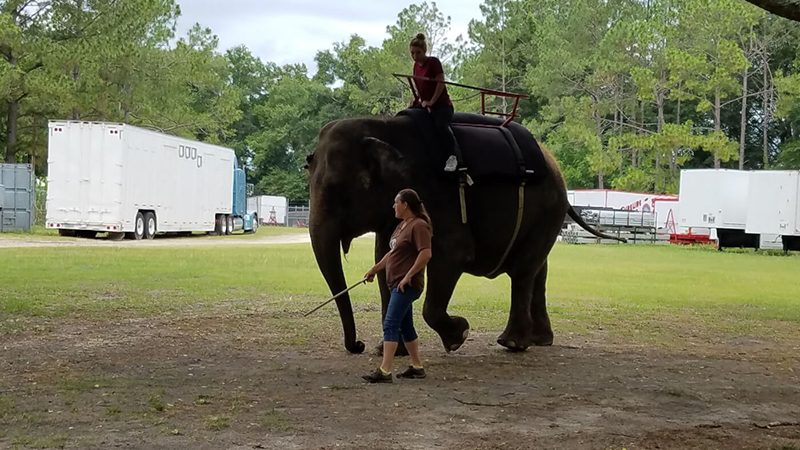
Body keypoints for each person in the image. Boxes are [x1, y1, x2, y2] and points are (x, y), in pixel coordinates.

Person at [362, 189, 433, 383]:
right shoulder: (402, 226)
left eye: (396, 202)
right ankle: (417, 367)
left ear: (405, 205)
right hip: (396, 283)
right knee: (405, 326)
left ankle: (385, 370)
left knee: (390, 323)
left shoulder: (419, 226)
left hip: (406, 285)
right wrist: (375, 269)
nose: (393, 206)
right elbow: (392, 253)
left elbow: (425, 253)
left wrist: (408, 276)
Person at [408, 33, 459, 173]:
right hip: (426, 104)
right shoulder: (415, 67)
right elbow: (421, 87)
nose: (415, 56)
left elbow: (440, 83)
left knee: (441, 125)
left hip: (442, 105)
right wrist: (417, 99)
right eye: (412, 53)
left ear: (424, 51)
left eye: (418, 52)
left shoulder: (434, 62)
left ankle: (452, 157)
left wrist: (431, 101)